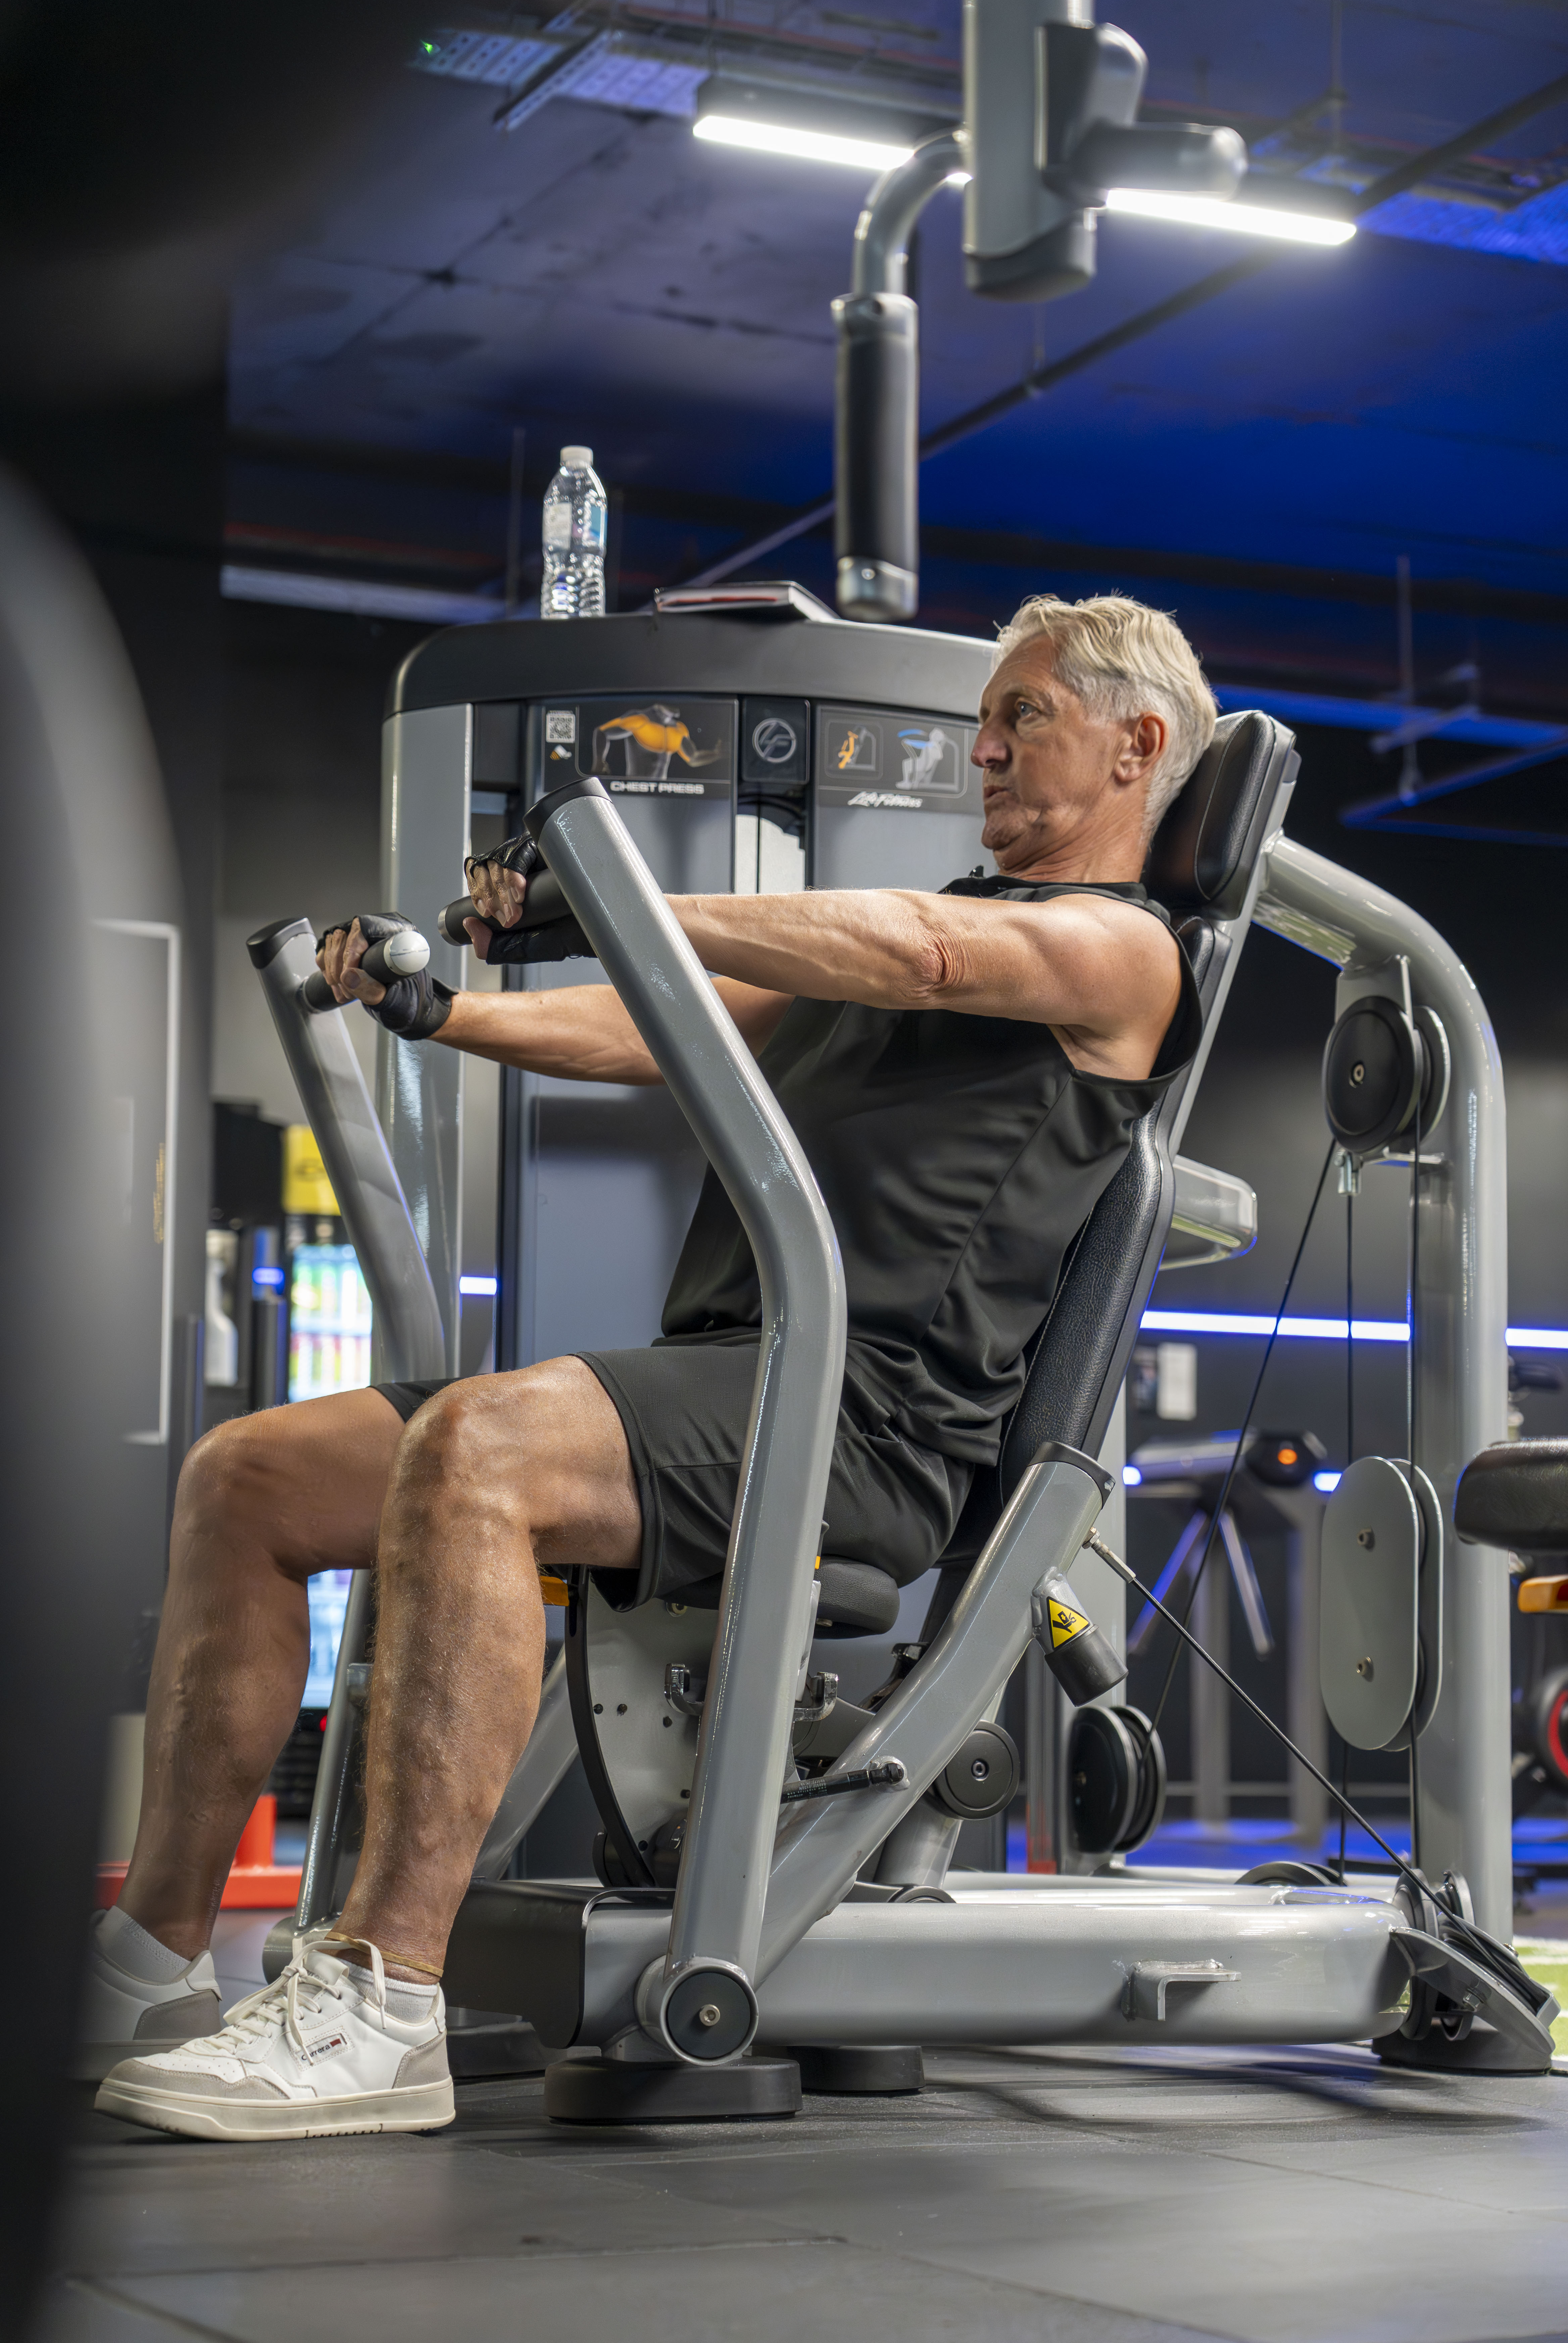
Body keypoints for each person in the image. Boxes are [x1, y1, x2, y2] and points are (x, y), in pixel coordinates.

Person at [85, 593, 1214, 2139]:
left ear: (1139, 743)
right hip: (741, 1378)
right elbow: (659, 1028)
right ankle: (150, 1959)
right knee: (250, 1476)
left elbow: (935, 951)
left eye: (1023, 717)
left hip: (865, 1427)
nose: (987, 750)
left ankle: (382, 2000)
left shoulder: (1118, 954)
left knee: (481, 1447)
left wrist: (605, 891)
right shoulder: (937, 930)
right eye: (986, 722)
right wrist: (446, 1007)